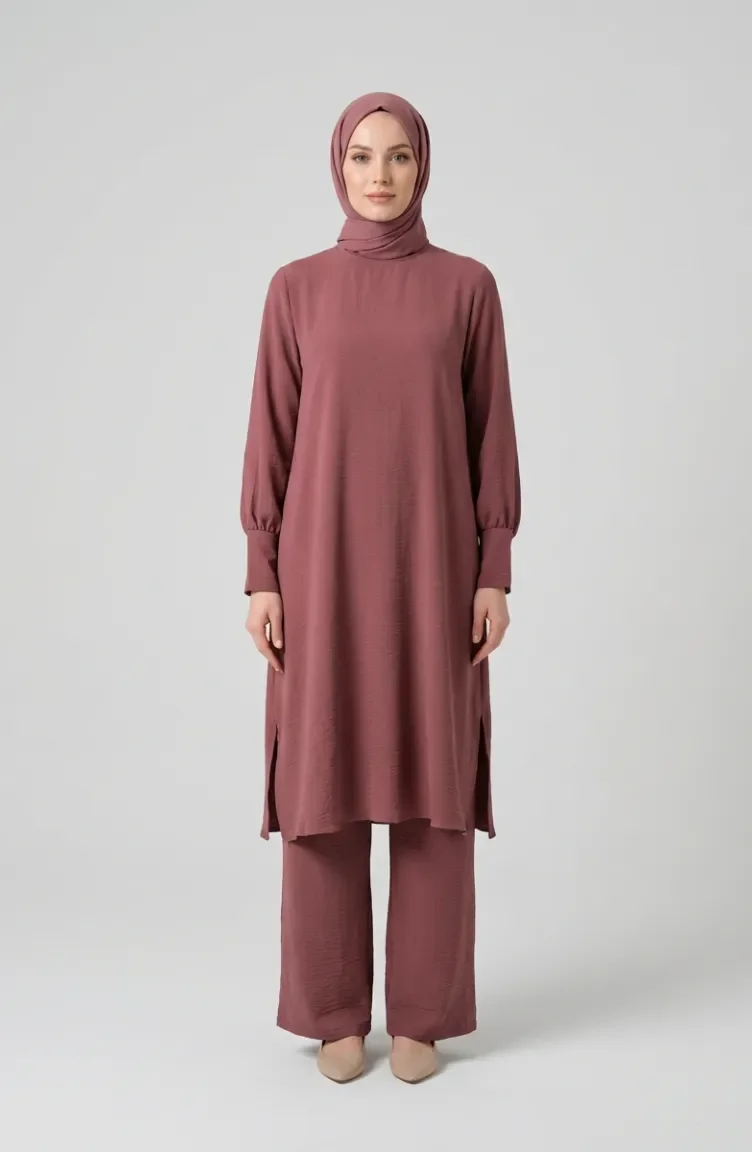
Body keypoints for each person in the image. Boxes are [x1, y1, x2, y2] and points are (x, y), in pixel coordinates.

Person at [239, 91, 522, 1083]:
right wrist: (261, 573)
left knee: (433, 787)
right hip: (319, 576)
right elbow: (270, 437)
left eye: (398, 156)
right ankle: (331, 1010)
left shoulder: (466, 288)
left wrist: (493, 570)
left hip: (435, 573)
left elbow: (490, 435)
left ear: (421, 166)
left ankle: (423, 1014)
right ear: (337, 165)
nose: (379, 175)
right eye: (362, 156)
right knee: (321, 780)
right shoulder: (296, 290)